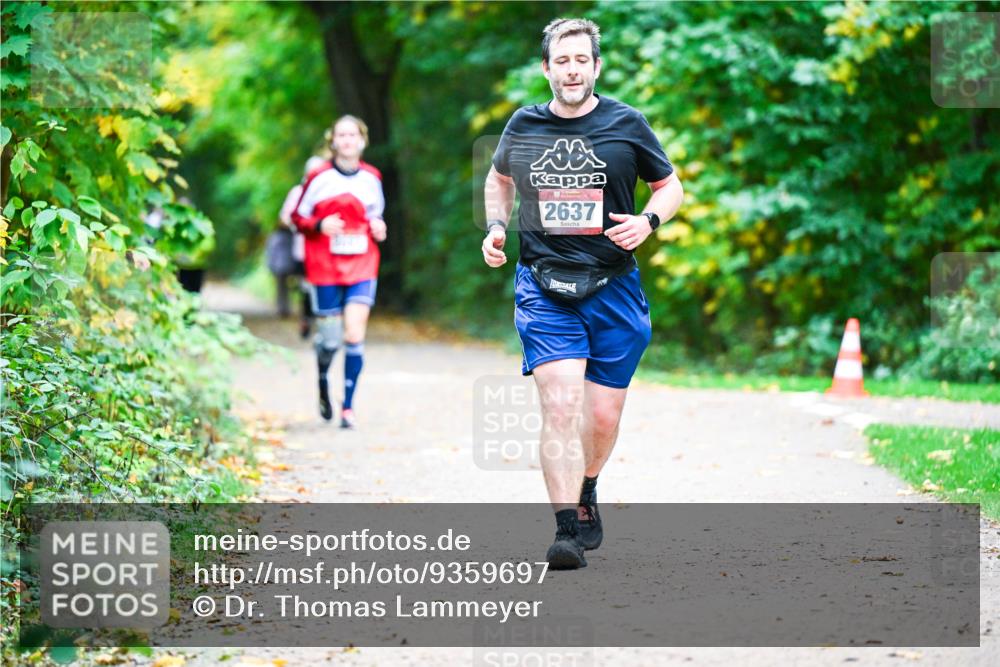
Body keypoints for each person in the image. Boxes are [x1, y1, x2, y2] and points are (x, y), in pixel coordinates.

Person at [482, 18, 684, 569]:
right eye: (561, 60)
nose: (571, 70)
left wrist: (648, 221)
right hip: (544, 284)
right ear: (547, 68)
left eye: (581, 60)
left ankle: (587, 485)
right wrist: (496, 229)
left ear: (595, 67)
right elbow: (498, 181)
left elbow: (671, 187)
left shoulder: (627, 123)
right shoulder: (522, 125)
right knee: (561, 401)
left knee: (600, 415)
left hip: (613, 285)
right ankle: (566, 530)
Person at [291, 116, 387, 428]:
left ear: (362, 140)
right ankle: (322, 377)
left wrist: (378, 227)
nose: (347, 140)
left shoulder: (372, 177)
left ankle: (347, 407)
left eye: (352, 135)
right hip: (325, 267)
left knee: (354, 333)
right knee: (330, 340)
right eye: (341, 135)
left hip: (362, 263)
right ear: (333, 141)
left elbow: (377, 217)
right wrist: (320, 225)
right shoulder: (319, 177)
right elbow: (297, 216)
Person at [279, 156, 328, 337]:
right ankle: (308, 318)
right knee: (307, 286)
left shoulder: (330, 190)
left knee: (323, 284)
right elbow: (286, 217)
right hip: (303, 249)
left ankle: (322, 320)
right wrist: (299, 226)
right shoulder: (297, 192)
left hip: (328, 251)